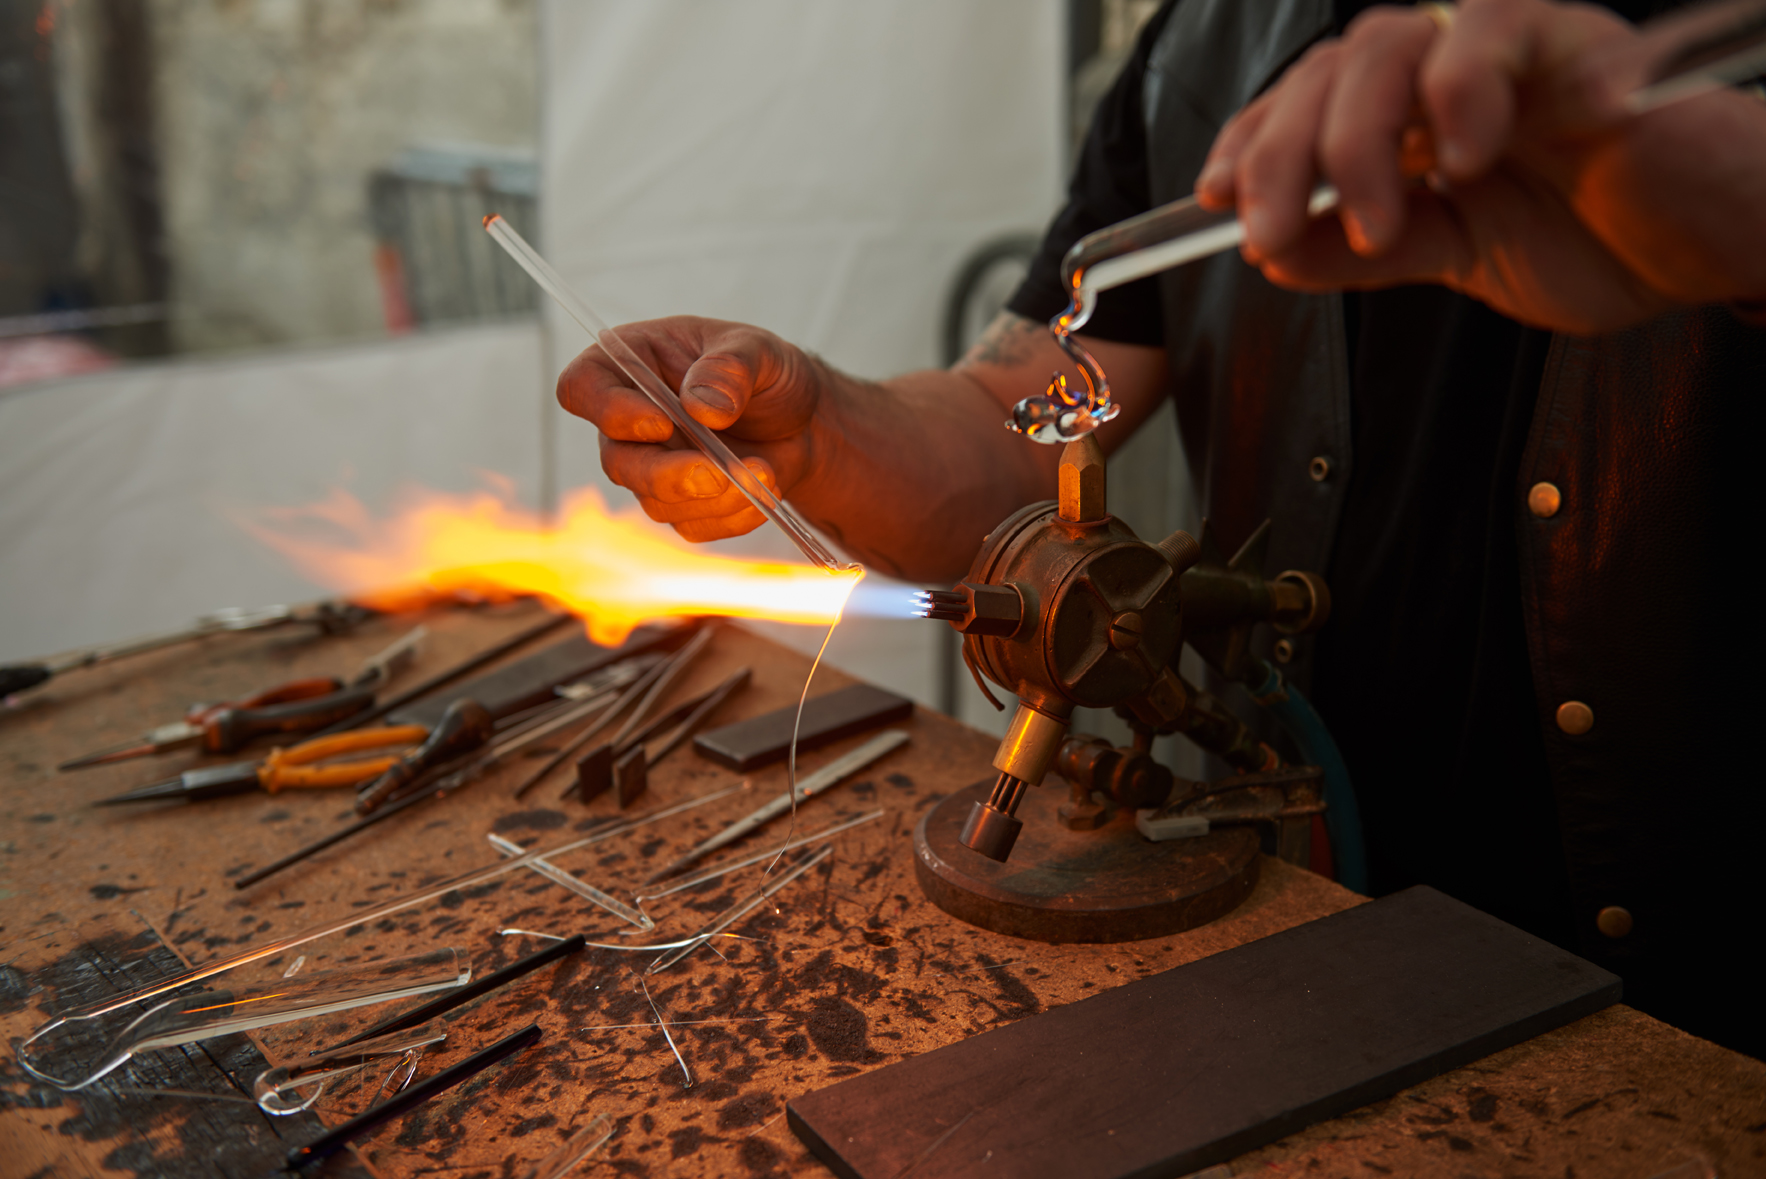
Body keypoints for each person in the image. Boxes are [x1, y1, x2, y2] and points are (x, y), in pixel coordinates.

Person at [560, 0, 1765, 1058]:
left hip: (1692, 992)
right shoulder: (1210, 44)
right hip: (1310, 917)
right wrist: (821, 431)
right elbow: (1004, 423)